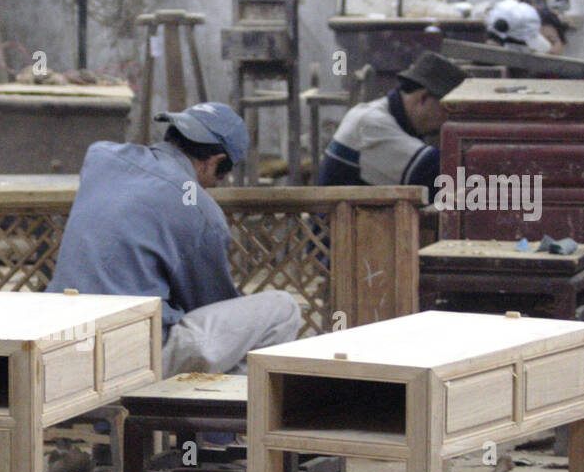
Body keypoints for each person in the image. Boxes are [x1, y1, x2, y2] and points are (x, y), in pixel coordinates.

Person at [46, 102, 301, 376]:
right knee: (283, 309)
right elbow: (208, 303)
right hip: (124, 356)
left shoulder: (101, 156)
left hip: (56, 338)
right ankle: (210, 415)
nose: (213, 185)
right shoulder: (200, 211)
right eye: (220, 176)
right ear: (214, 162)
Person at [315, 51, 467, 195]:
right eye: (448, 108)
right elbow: (435, 173)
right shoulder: (369, 122)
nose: (449, 118)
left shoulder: (390, 117)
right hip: (337, 222)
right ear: (423, 98)